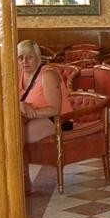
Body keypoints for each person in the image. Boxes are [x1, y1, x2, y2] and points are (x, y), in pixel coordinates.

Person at [18, 39, 72, 193]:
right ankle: (19, 180)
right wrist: (21, 105)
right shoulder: (18, 74)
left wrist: (30, 112)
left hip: (56, 119)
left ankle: (24, 181)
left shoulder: (48, 74)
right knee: (13, 131)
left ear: (38, 57)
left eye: (29, 57)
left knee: (15, 136)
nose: (24, 61)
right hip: (32, 118)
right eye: (21, 58)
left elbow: (55, 109)